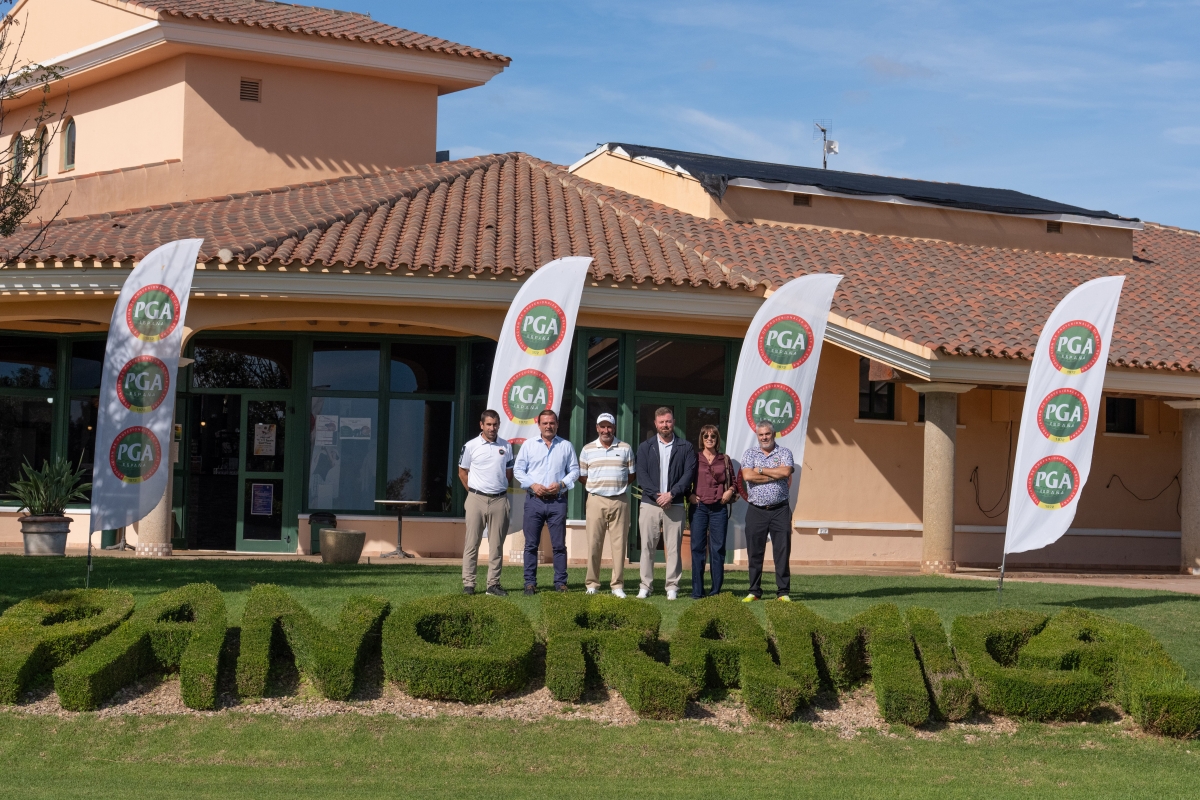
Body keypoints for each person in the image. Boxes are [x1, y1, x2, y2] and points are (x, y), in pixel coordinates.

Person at [513, 409, 579, 595]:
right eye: (545, 423)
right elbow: (518, 470)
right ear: (539, 425)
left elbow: (575, 470)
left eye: (552, 423)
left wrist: (562, 484)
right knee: (531, 545)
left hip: (557, 501)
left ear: (557, 424)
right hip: (534, 501)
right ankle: (529, 583)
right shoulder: (529, 445)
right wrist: (533, 485)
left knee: (559, 545)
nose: (548, 426)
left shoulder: (566, 446)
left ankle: (560, 583)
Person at [635, 407, 697, 600]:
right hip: (650, 504)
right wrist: (658, 496)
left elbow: (688, 474)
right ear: (655, 424)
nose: (665, 425)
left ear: (673, 422)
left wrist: (672, 494)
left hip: (675, 503)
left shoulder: (685, 447)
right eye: (661, 422)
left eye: (668, 421)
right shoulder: (645, 447)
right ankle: (645, 586)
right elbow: (641, 475)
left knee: (674, 547)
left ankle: (672, 586)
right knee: (647, 546)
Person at [457, 409, 514, 596]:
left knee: (496, 545)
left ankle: (493, 585)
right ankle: (469, 584)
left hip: (499, 500)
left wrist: (497, 488)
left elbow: (508, 473)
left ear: (499, 425)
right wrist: (474, 492)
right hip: (476, 499)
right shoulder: (470, 446)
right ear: (481, 425)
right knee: (471, 543)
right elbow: (462, 472)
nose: (492, 428)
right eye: (488, 424)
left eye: (495, 424)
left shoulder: (506, 446)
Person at [579, 412, 636, 598]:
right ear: (597, 428)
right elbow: (582, 475)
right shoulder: (587, 449)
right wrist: (598, 486)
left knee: (619, 545)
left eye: (609, 426)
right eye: (602, 426)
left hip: (619, 500)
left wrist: (617, 487)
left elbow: (631, 475)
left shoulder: (625, 448)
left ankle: (617, 585)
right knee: (594, 543)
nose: (606, 430)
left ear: (614, 428)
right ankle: (592, 583)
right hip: (596, 499)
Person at [740, 420, 795, 601]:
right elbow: (748, 475)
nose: (764, 437)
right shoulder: (750, 453)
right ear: (757, 436)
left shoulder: (785, 453)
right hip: (756, 510)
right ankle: (754, 591)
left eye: (767, 434)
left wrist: (761, 470)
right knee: (754, 552)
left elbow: (786, 472)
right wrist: (774, 475)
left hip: (780, 510)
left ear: (773, 434)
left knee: (782, 551)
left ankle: (783, 592)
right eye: (761, 434)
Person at [688, 425, 738, 598]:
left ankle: (716, 591)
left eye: (713, 436)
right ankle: (697, 591)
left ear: (717, 439)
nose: (709, 439)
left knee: (718, 549)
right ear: (701, 439)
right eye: (706, 436)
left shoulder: (724, 459)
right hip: (699, 508)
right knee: (697, 549)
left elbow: (735, 482)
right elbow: (684, 479)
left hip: (719, 508)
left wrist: (730, 491)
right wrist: (689, 495)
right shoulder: (695, 458)